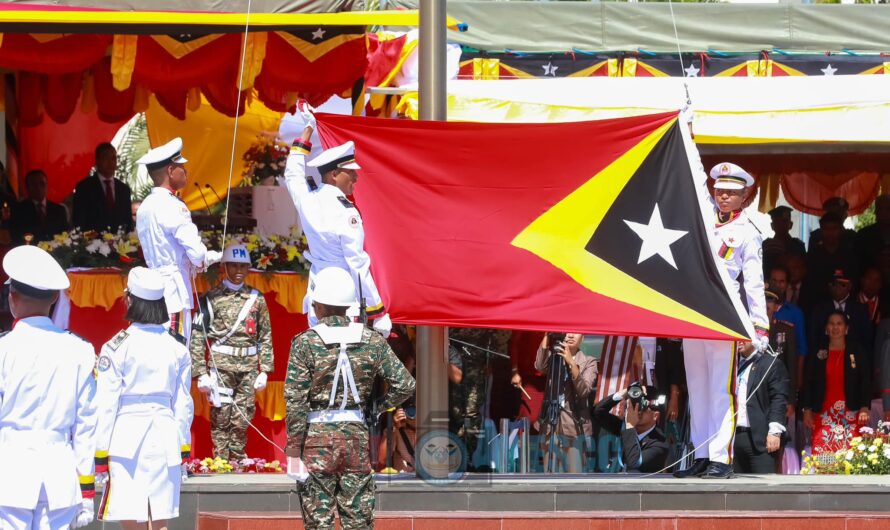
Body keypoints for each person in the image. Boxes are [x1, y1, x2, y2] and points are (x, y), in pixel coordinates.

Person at [284, 266, 415, 530]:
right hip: (356, 435)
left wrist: (293, 448)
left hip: (316, 438)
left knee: (319, 520)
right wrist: (376, 408)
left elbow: (295, 401)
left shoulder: (305, 342)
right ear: (349, 307)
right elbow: (405, 384)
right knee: (357, 520)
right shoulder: (371, 340)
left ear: (318, 305)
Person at [675, 162, 769, 480]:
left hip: (725, 319)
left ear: (744, 196)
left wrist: (759, 327)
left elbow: (753, 284)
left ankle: (720, 458)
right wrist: (687, 129)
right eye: (720, 191)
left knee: (720, 390)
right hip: (695, 315)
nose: (723, 197)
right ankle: (701, 454)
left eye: (731, 192)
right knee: (697, 388)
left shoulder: (747, 234)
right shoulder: (704, 220)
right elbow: (696, 178)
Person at [0, 245, 97, 530]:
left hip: (10, 471)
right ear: (55, 297)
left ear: (11, 298)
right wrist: (87, 490)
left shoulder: (4, 349)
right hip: (60, 475)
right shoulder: (80, 350)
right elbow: (87, 425)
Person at [93, 267, 193, 527]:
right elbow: (183, 405)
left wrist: (100, 453)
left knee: (131, 519)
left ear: (129, 300)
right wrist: (183, 448)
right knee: (160, 520)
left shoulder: (117, 346)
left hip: (127, 437)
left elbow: (106, 404)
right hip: (166, 434)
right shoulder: (177, 346)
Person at [281, 102, 391, 337]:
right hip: (344, 300)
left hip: (318, 294)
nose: (355, 177)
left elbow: (292, 173)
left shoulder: (308, 199)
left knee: (321, 362)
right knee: (344, 367)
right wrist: (378, 312)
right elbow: (357, 263)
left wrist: (308, 129)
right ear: (333, 174)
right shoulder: (346, 212)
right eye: (350, 171)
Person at [191, 243, 273, 461]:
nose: (239, 271)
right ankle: (220, 462)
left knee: (243, 417)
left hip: (248, 368)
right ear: (223, 267)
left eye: (243, 266)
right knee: (221, 416)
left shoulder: (257, 298)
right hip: (221, 367)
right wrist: (200, 373)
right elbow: (198, 336)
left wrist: (264, 370)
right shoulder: (211, 298)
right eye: (233, 266)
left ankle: (237, 461)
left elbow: (265, 336)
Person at [135, 137, 221, 345]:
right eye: (182, 167)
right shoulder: (173, 205)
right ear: (171, 170)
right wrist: (207, 259)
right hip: (173, 291)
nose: (186, 172)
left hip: (152, 288)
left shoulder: (145, 205)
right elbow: (197, 254)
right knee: (176, 352)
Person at [801, 311, 871, 459]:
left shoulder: (857, 351)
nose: (835, 327)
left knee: (851, 458)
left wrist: (865, 406)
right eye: (831, 324)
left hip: (850, 413)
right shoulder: (818, 352)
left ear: (846, 328)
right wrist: (807, 408)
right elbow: (808, 382)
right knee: (823, 458)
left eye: (839, 323)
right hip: (823, 413)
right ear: (826, 328)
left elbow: (865, 380)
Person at [448, 327, 512, 469]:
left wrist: (490, 361)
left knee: (472, 418)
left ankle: (467, 457)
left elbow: (500, 336)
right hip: (451, 369)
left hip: (475, 372)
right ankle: (454, 458)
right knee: (454, 416)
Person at [733, 319, 790, 474]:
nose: (739, 340)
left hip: (760, 438)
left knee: (763, 493)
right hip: (733, 438)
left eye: (744, 335)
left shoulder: (770, 363)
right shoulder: (730, 364)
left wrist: (774, 431)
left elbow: (778, 399)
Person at [533, 333, 597, 473]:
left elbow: (584, 391)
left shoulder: (589, 361)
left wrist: (571, 363)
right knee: (549, 476)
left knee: (574, 478)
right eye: (567, 331)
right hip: (550, 423)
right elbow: (539, 366)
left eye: (576, 331)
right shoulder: (554, 357)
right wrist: (546, 335)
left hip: (574, 425)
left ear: (583, 338)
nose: (571, 335)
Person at [592, 385, 670, 473]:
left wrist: (630, 425)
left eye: (643, 407)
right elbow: (598, 412)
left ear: (655, 415)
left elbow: (634, 463)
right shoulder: (624, 428)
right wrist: (625, 392)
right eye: (634, 406)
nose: (637, 411)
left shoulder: (660, 444)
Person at [803, 212, 860, 316]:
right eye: (826, 229)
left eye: (834, 228)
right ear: (821, 230)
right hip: (817, 309)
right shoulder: (813, 255)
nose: (830, 233)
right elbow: (808, 286)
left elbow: (853, 283)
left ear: (841, 230)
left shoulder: (849, 256)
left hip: (844, 309)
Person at [73, 143, 134, 233]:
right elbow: (79, 221)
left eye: (113, 158)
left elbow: (128, 221)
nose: (110, 162)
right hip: (93, 244)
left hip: (120, 243)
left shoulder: (123, 189)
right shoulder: (84, 187)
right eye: (106, 158)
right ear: (97, 161)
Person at [809, 269, 873, 355]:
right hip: (825, 359)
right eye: (834, 284)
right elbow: (814, 341)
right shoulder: (819, 310)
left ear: (850, 285)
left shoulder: (860, 310)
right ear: (829, 286)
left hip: (854, 360)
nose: (837, 287)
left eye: (842, 284)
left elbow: (866, 341)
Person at [9, 169, 69, 244]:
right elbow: (15, 236)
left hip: (55, 252)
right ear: (27, 187)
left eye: (42, 184)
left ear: (47, 185)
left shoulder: (59, 210)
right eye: (34, 184)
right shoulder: (18, 210)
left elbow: (65, 234)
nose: (38, 187)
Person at [762, 205, 805, 275]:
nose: (781, 225)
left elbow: (803, 270)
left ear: (791, 224)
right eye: (777, 222)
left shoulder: (798, 246)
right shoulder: (767, 246)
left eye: (784, 222)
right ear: (772, 226)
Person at [857, 195, 890, 270]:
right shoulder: (863, 235)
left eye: (888, 209)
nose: (884, 213)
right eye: (880, 209)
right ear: (875, 211)